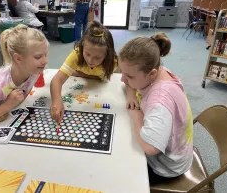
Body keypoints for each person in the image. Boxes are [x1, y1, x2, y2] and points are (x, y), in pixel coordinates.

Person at [118, 33, 193, 185]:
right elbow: (128, 82)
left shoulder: (160, 101)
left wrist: (137, 117)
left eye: (129, 76)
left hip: (167, 168)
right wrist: (131, 93)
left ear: (151, 74)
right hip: (175, 147)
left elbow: (150, 148)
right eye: (122, 73)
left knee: (116, 168)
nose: (122, 79)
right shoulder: (159, 70)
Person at [50, 21, 117, 122]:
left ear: (107, 55)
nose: (90, 61)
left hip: (97, 84)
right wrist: (56, 100)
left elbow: (106, 78)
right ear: (82, 48)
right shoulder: (76, 54)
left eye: (97, 57)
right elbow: (56, 80)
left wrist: (78, 73)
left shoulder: (112, 62)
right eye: (87, 54)